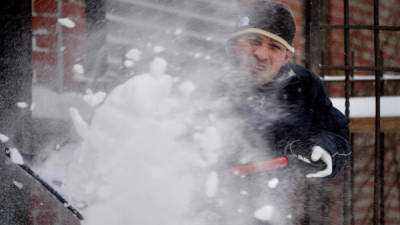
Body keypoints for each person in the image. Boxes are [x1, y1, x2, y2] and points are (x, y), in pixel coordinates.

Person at [224, 0, 351, 179]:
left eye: (274, 47)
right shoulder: (205, 78)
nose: (261, 54)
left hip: (270, 200)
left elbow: (336, 133)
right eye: (253, 41)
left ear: (286, 57)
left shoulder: (302, 85)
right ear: (236, 44)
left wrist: (323, 148)